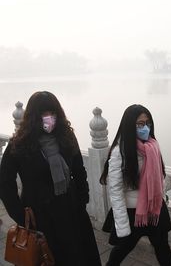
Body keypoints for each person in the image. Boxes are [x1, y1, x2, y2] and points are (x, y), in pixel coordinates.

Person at [0, 91, 101, 266]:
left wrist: (82, 199)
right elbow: (5, 183)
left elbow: (78, 170)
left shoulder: (66, 137)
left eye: (52, 113)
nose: (49, 118)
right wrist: (20, 215)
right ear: (33, 116)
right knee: (46, 258)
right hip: (39, 215)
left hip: (70, 210)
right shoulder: (19, 145)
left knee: (78, 256)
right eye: (44, 114)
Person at [100, 104, 171, 266]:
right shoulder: (120, 153)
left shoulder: (153, 146)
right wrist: (122, 224)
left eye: (148, 123)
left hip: (154, 209)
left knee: (162, 247)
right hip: (133, 213)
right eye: (140, 124)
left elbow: (160, 176)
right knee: (121, 250)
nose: (145, 127)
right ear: (129, 125)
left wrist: (160, 199)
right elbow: (116, 191)